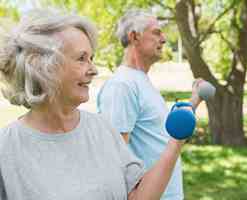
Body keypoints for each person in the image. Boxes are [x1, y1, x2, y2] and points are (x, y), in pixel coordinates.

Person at [0, 8, 193, 200]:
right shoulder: (6, 148)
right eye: (82, 58)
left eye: (91, 59)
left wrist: (175, 143)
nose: (93, 70)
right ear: (41, 66)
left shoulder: (102, 129)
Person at [97, 9, 203, 200]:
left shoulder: (140, 80)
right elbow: (115, 165)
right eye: (156, 32)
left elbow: (158, 132)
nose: (163, 39)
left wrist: (194, 100)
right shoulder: (122, 86)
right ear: (134, 37)